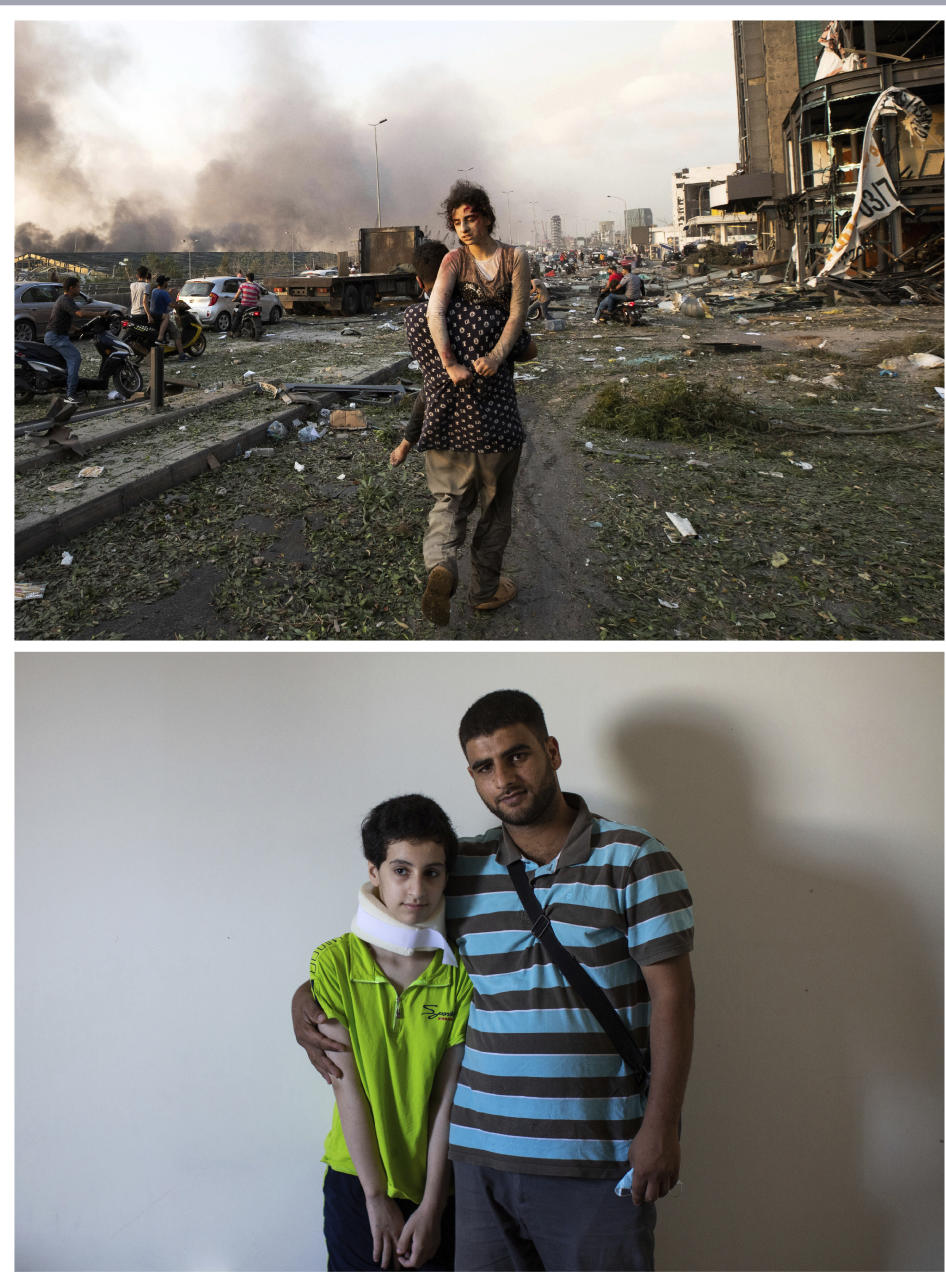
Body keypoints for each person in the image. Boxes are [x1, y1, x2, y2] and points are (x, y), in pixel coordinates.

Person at [292, 689, 696, 1272]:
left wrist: (661, 1128)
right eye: (485, 767)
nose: (504, 777)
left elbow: (674, 999)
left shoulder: (635, 860)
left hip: (597, 1157)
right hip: (478, 1165)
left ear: (552, 752)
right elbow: (380, 941)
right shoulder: (460, 867)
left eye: (518, 755)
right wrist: (304, 999)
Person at [310, 794, 473, 1271]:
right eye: (401, 870)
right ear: (373, 870)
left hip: (435, 1188)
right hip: (354, 1181)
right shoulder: (334, 961)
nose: (417, 889)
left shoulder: (458, 975)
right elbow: (347, 1085)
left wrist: (434, 1204)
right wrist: (375, 1195)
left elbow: (448, 1100)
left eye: (432, 872)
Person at [391, 240, 533, 627]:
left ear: (422, 282)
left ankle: (441, 564)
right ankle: (484, 592)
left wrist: (408, 438)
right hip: (496, 431)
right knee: (494, 515)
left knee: (448, 504)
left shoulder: (415, 318)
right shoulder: (491, 313)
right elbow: (528, 349)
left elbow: (428, 382)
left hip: (444, 428)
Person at [426, 181, 530, 391]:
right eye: (457, 223)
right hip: (462, 358)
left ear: (487, 218)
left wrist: (495, 358)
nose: (463, 229)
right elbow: (434, 311)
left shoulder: (515, 257)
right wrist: (450, 364)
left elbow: (517, 315)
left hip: (497, 358)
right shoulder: (454, 259)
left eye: (470, 219)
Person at [41, 277, 91, 434]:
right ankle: (70, 395)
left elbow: (62, 319)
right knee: (75, 358)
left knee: (67, 362)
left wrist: (76, 329)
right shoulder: (66, 300)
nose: (79, 289)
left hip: (58, 335)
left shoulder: (63, 300)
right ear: (71, 288)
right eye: (78, 287)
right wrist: (102, 313)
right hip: (55, 337)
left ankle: (68, 386)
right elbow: (81, 313)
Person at [148, 274, 187, 359]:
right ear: (163, 283)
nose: (167, 283)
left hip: (153, 314)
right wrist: (182, 306)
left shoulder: (155, 290)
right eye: (166, 281)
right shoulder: (164, 293)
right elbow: (172, 305)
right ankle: (182, 355)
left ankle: (164, 341)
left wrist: (169, 292)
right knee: (176, 333)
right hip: (160, 316)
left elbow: (161, 297)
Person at [231, 271, 263, 335]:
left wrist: (234, 299)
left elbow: (237, 295)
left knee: (238, 316)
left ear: (247, 278)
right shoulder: (257, 287)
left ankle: (232, 332)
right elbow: (258, 297)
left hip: (244, 305)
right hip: (253, 306)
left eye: (246, 277)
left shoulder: (243, 285)